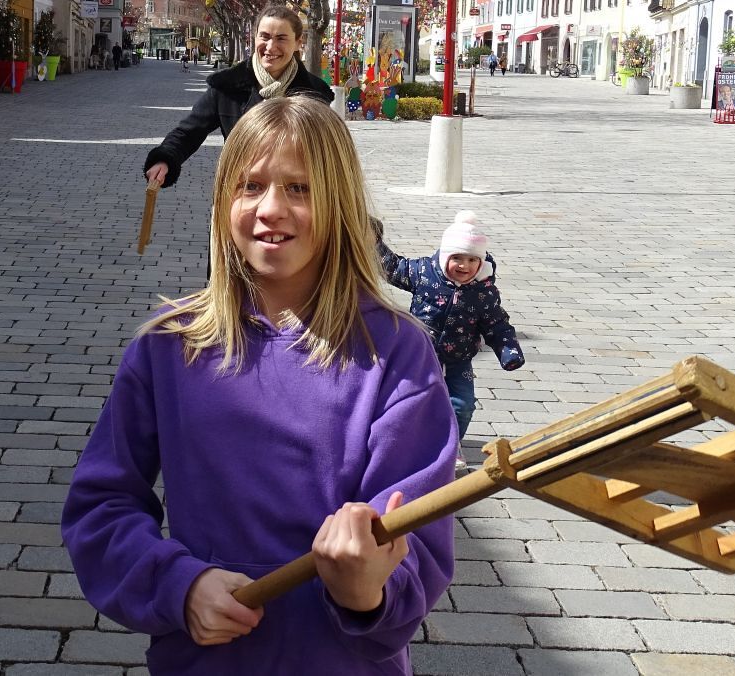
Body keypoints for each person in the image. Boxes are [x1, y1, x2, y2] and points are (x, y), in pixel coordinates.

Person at [62, 97, 457, 674]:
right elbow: (100, 506)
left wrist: (369, 590)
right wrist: (177, 585)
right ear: (224, 202)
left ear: (340, 201)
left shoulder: (396, 351)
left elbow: (416, 533)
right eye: (250, 186)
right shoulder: (168, 346)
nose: (271, 209)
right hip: (204, 662)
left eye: (299, 188)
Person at [376, 211, 525, 471]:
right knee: (411, 400)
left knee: (463, 405)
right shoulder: (424, 273)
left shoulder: (484, 292)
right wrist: (372, 240)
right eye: (457, 258)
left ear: (481, 262)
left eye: (472, 260)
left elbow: (496, 323)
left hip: (459, 359)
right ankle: (406, 441)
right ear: (445, 256)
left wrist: (508, 349)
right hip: (421, 355)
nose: (464, 266)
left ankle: (449, 445)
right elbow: (393, 267)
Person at [144, 5, 334, 190]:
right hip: (240, 192)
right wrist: (165, 159)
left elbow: (327, 153)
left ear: (298, 43)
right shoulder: (228, 85)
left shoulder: (314, 93)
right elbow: (188, 132)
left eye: (281, 38)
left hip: (296, 196)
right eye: (265, 36)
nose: (271, 46)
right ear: (255, 37)